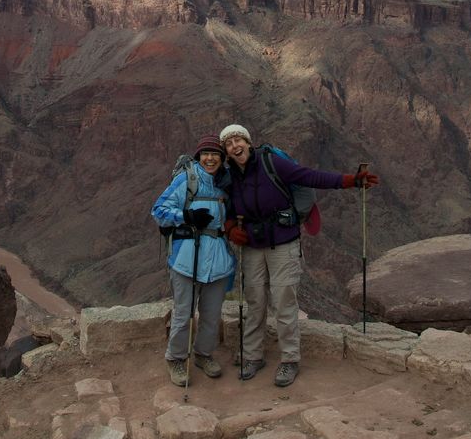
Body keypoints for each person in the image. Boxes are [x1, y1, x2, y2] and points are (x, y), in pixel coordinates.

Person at [219, 123, 378, 387]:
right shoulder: (229, 177)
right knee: (255, 302)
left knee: (284, 303)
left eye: (238, 140)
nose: (235, 146)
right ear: (226, 151)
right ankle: (252, 355)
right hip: (252, 246)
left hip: (283, 243)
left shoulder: (271, 163)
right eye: (229, 143)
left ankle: (290, 360)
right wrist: (229, 228)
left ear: (248, 142)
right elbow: (223, 205)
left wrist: (350, 181)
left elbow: (309, 177)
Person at [151, 134, 237, 387]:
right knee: (184, 313)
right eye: (205, 154)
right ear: (198, 156)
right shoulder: (186, 179)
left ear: (222, 158)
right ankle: (176, 358)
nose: (210, 159)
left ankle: (203, 354)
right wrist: (187, 216)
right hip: (187, 256)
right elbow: (159, 211)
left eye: (215, 154)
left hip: (218, 259)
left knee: (211, 314)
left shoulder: (227, 182)